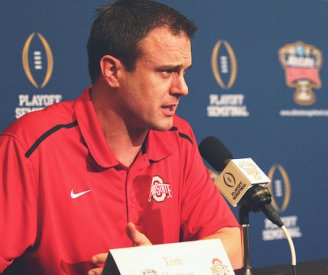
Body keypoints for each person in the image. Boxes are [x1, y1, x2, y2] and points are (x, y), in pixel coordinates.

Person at [0, 0, 243, 274]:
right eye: (166, 72)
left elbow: (233, 245)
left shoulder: (179, 138)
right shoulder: (28, 147)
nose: (182, 88)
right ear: (112, 71)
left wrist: (155, 266)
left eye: (184, 72)